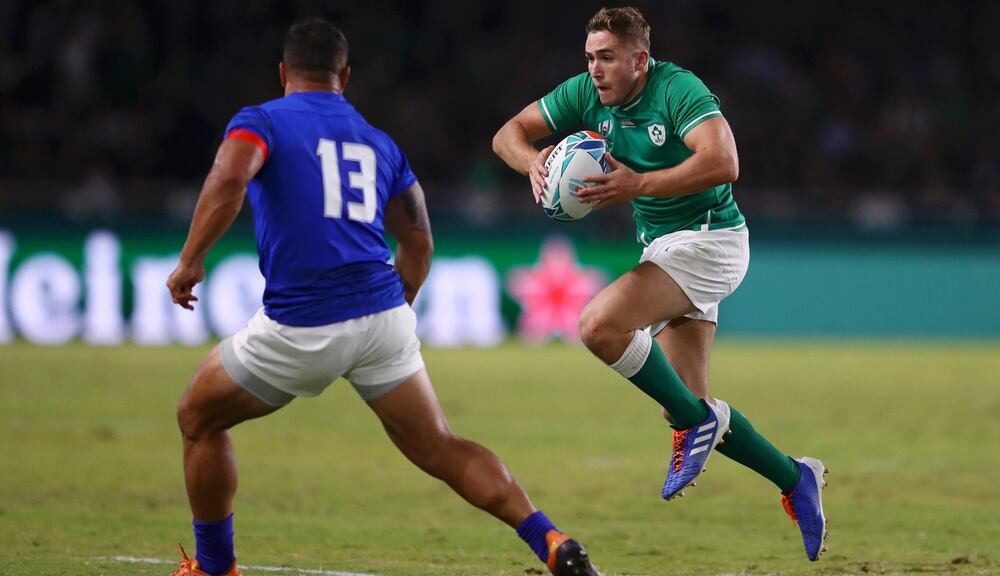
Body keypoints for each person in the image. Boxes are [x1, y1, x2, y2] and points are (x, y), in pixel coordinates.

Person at [165, 17, 598, 576]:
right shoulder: (378, 143)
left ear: (283, 73)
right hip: (383, 315)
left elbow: (229, 177)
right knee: (441, 446)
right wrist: (395, 311)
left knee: (197, 418)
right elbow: (418, 241)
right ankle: (553, 541)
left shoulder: (262, 122)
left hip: (304, 321)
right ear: (344, 76)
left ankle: (214, 567)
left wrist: (191, 259)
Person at [493, 6, 829, 562]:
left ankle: (698, 422)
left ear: (640, 60)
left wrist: (640, 184)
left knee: (598, 325)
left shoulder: (677, 89)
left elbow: (724, 161)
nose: (595, 69)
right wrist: (532, 162)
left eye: (607, 58)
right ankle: (795, 478)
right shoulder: (585, 93)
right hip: (664, 247)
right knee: (685, 402)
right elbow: (508, 133)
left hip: (710, 240)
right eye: (590, 57)